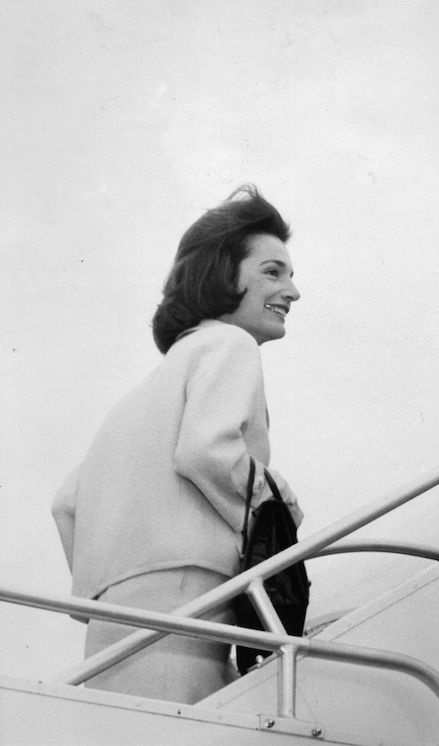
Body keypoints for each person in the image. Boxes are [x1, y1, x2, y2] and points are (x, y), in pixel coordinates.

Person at [51, 185, 304, 704]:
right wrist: (278, 505)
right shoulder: (229, 344)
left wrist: (103, 588)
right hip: (186, 609)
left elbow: (67, 504)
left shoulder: (139, 396)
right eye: (273, 272)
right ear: (221, 274)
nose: (293, 291)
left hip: (110, 623)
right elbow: (206, 451)